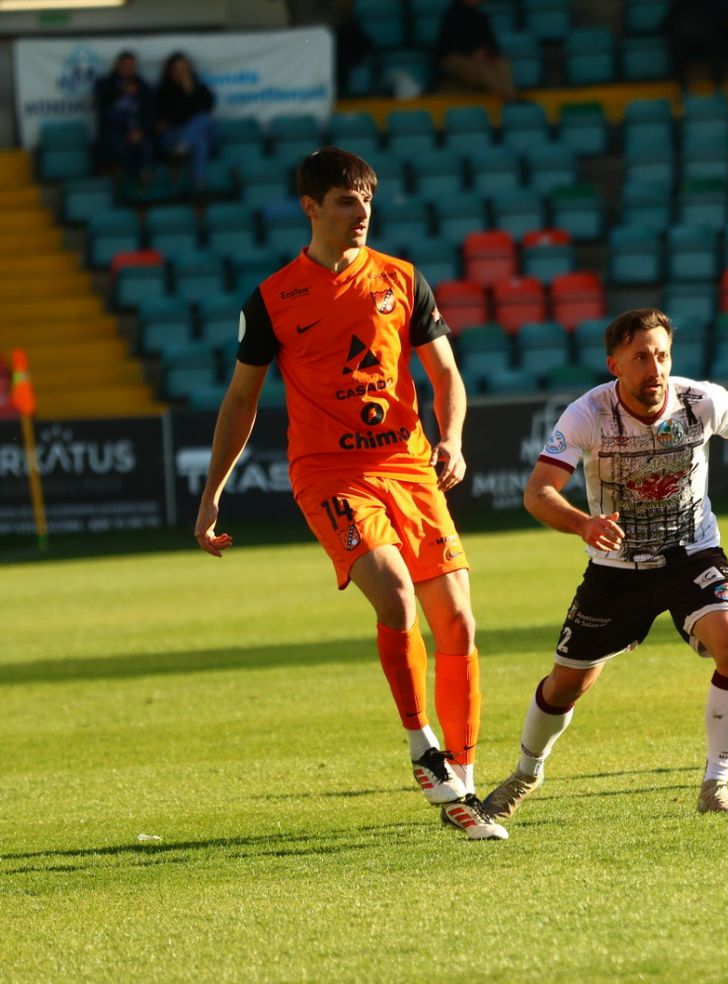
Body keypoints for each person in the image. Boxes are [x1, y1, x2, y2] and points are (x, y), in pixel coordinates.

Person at [193, 148, 506, 842]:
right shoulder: (273, 298)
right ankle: (421, 745)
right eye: (345, 200)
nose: (360, 212)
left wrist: (451, 439)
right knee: (395, 594)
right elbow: (241, 399)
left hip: (410, 467)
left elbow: (446, 374)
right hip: (330, 472)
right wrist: (213, 491)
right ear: (311, 207)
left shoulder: (402, 279)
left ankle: (465, 780)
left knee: (457, 619)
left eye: (366, 199)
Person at [480, 308, 728, 823]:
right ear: (614, 364)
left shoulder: (701, 400)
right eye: (640, 357)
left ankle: (717, 784)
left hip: (693, 555)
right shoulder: (587, 414)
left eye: (661, 355)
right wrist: (583, 525)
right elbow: (538, 492)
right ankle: (526, 772)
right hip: (616, 568)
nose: (655, 368)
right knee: (566, 685)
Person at [154, 52, 215, 190]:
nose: (182, 73)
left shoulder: (199, 88)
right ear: (170, 71)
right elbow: (172, 116)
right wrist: (183, 95)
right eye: (177, 70)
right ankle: (199, 182)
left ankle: (181, 150)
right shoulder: (163, 90)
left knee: (203, 122)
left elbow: (207, 108)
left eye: (184, 70)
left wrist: (190, 91)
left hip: (190, 134)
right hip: (173, 134)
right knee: (199, 140)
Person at [434, 0, 516, 101]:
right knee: (483, 71)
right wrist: (472, 53)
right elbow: (449, 45)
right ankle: (504, 96)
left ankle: (510, 97)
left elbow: (493, 45)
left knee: (502, 63)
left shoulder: (480, 16)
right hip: (458, 57)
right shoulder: (452, 15)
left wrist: (485, 53)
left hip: (482, 58)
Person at [92, 51, 154, 183]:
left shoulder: (143, 86)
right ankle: (139, 173)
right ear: (118, 66)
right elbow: (102, 110)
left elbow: (150, 112)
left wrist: (140, 130)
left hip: (136, 128)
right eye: (126, 65)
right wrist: (121, 92)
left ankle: (145, 172)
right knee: (118, 143)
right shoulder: (104, 84)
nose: (129, 69)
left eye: (132, 66)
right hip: (114, 129)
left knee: (146, 145)